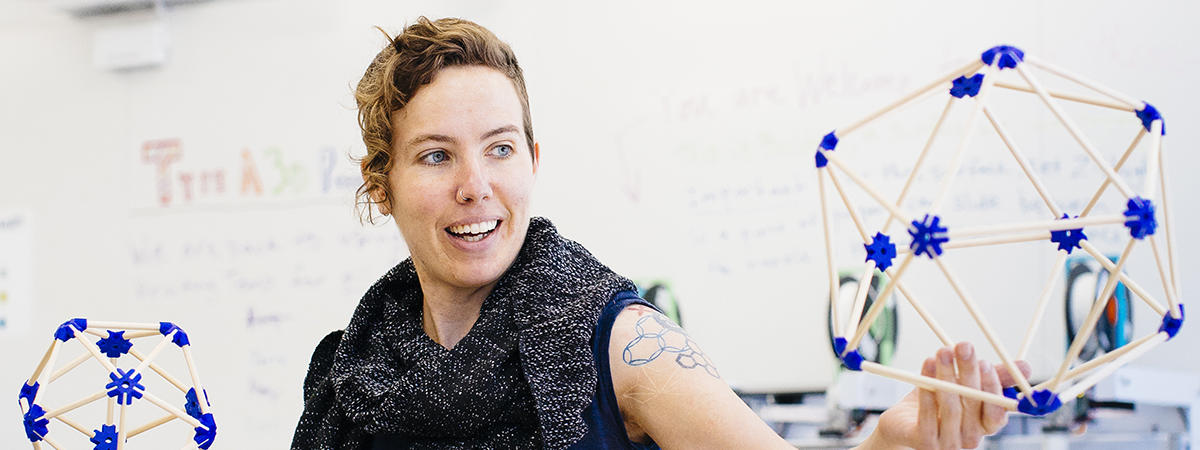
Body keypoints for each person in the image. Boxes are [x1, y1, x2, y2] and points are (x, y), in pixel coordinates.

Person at [292, 17, 1030, 449]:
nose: (475, 185)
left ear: (533, 160)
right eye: (435, 155)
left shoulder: (615, 338)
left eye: (500, 147)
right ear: (380, 183)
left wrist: (886, 444)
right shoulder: (347, 373)